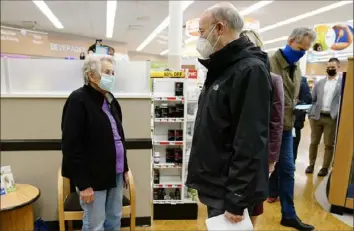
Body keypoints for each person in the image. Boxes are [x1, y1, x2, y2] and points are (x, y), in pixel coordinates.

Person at [186, 3, 272, 223]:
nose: (200, 37)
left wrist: (237, 197)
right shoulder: (222, 68)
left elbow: (250, 139)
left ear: (220, 28)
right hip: (216, 183)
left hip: (228, 190)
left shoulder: (249, 70)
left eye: (203, 31)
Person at [61, 54, 129, 231]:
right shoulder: (78, 100)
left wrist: (125, 169)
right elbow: (71, 145)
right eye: (107, 72)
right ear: (91, 75)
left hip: (115, 172)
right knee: (95, 224)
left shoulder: (110, 99)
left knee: (114, 219)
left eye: (113, 72)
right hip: (93, 177)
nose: (111, 76)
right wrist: (83, 184)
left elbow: (118, 137)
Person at [267, 27, 316, 231]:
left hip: (286, 129)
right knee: (259, 171)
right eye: (300, 47)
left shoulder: (297, 68)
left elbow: (293, 97)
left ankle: (289, 214)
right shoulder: (268, 63)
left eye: (305, 50)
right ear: (290, 40)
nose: (301, 52)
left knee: (288, 169)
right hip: (266, 129)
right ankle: (244, 211)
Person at [239, 30, 285, 226]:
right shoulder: (234, 77)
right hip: (235, 150)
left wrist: (272, 158)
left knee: (255, 201)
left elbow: (276, 122)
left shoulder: (273, 80)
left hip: (260, 151)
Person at [306, 58, 342, 177]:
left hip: (331, 118)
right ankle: (311, 164)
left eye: (333, 67)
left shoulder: (342, 83)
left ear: (338, 67)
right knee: (314, 142)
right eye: (329, 67)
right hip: (316, 116)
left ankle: (325, 167)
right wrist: (311, 113)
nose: (330, 69)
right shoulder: (320, 82)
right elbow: (313, 98)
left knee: (328, 144)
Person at [293, 77, 312, 163]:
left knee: (292, 149)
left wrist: (295, 104)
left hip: (295, 123)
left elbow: (307, 102)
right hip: (280, 123)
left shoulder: (302, 81)